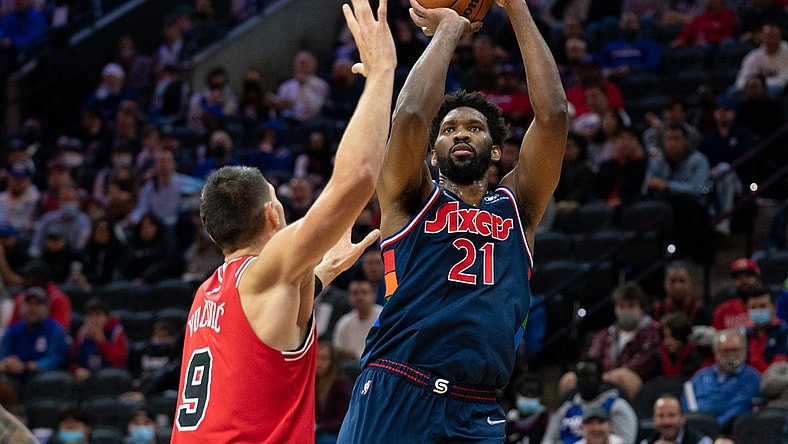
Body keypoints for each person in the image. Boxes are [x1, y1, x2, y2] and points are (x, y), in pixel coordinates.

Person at [338, 0, 568, 441]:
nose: (461, 132)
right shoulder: (410, 198)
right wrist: (449, 28)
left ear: (496, 151)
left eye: (475, 128)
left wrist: (516, 6)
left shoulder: (517, 206)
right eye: (448, 129)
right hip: (398, 386)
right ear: (432, 152)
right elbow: (410, 115)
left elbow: (554, 114)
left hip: (476, 407)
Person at [170, 0, 396, 441]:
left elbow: (268, 331)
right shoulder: (263, 274)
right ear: (273, 214)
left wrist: (322, 271)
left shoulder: (206, 295)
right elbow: (356, 180)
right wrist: (382, 70)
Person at [544, 358, 638, 444]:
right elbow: (549, 439)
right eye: (581, 377)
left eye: (590, 377)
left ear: (600, 378)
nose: (584, 381)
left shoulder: (617, 406)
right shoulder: (566, 408)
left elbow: (627, 440)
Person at [683, 329, 761, 429]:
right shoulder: (701, 376)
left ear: (744, 351)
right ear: (716, 352)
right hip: (695, 429)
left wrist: (711, 427)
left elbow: (739, 408)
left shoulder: (752, 378)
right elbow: (686, 399)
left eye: (735, 350)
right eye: (725, 351)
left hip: (728, 430)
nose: (731, 355)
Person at [68, 298, 128, 383]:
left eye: (98, 314)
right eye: (89, 315)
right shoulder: (82, 332)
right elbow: (71, 360)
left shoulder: (116, 331)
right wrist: (77, 370)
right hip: (86, 377)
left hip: (109, 378)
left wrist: (102, 341)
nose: (94, 319)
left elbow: (121, 361)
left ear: (107, 317)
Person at [332, 278, 383, 362]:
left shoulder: (382, 316)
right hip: (350, 365)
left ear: (374, 295)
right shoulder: (344, 321)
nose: (359, 297)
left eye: (364, 292)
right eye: (355, 293)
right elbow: (337, 348)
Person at [651, 260, 712, 326]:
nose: (678, 287)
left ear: (690, 282)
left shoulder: (701, 313)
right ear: (665, 284)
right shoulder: (654, 312)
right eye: (672, 281)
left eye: (682, 281)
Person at [315, 340, 353, 444]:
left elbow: (346, 418)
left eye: (324, 359)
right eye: (317, 358)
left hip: (336, 435)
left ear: (332, 361)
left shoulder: (341, 384)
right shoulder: (312, 383)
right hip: (317, 432)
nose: (319, 363)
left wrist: (320, 426)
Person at [640, 393, 713, 444]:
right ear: (654, 419)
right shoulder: (647, 442)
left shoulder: (701, 441)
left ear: (682, 418)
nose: (666, 421)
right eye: (660, 416)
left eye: (671, 415)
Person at [711, 258, 763, 328]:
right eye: (739, 277)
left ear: (757, 279)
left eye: (748, 276)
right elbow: (715, 332)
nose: (744, 280)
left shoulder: (767, 307)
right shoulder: (722, 310)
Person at [505, 372, 550, 444]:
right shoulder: (510, 419)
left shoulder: (547, 418)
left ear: (539, 397)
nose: (530, 396)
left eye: (534, 393)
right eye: (527, 392)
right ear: (517, 394)